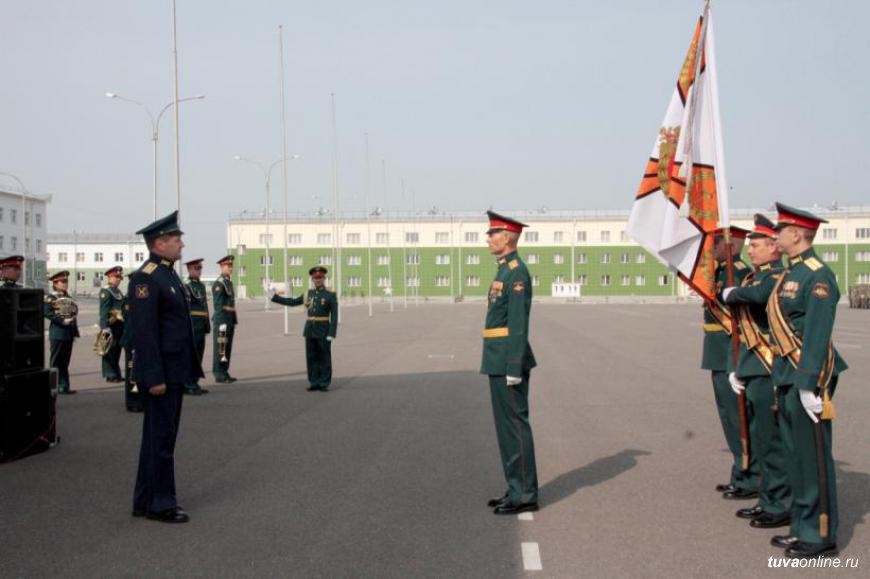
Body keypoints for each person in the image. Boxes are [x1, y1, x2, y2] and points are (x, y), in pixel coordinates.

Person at [762, 203, 847, 558]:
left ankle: (820, 533)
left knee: (812, 459)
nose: (776, 235)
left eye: (781, 230)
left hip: (807, 375)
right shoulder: (791, 272)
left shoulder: (817, 275)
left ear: (797, 234)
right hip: (787, 374)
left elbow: (816, 333)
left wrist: (809, 382)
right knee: (796, 457)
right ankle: (800, 526)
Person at [128, 211, 203, 523]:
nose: (182, 244)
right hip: (162, 374)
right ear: (160, 243)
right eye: (176, 240)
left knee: (159, 439)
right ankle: (161, 504)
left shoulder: (168, 274)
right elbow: (144, 333)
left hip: (175, 370)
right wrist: (153, 376)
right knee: (160, 441)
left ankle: (144, 500)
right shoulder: (146, 278)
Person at [722, 215, 791, 530]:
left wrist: (733, 293)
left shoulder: (776, 276)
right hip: (752, 367)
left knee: (773, 441)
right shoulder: (754, 278)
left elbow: (760, 296)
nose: (750, 250)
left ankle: (780, 503)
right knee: (763, 440)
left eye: (757, 245)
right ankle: (768, 498)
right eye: (750, 245)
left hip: (767, 367)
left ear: (774, 247)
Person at [481, 211, 539, 515]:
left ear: (508, 237)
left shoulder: (516, 273)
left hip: (507, 362)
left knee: (515, 427)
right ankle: (515, 487)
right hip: (497, 359)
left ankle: (525, 494)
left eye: (493, 233)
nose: (488, 238)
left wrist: (514, 367)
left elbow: (518, 324)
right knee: (506, 430)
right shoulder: (504, 270)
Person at [703, 226, 760, 500]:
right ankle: (740, 473)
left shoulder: (738, 274)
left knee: (740, 419)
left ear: (731, 244)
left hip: (731, 352)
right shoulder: (719, 272)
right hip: (718, 353)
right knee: (730, 418)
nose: (711, 248)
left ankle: (750, 477)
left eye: (716, 243)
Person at [270, 266, 338, 391]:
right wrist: (274, 297)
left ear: (324, 278)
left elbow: (334, 315)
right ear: (312, 279)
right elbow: (293, 302)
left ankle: (324, 383)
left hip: (324, 330)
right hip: (310, 330)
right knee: (311, 357)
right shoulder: (308, 294)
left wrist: (332, 333)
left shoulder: (330, 295)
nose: (318, 280)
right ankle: (314, 382)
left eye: (320, 277)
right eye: (315, 278)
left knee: (324, 357)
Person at [43, 271, 79, 394]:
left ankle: (64, 386)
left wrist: (74, 332)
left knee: (65, 362)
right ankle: (53, 387)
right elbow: (47, 313)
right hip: (57, 333)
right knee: (56, 362)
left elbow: (73, 314)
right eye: (62, 282)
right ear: (55, 284)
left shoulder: (68, 297)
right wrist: (62, 321)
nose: (65, 284)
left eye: (66, 281)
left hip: (68, 334)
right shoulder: (51, 298)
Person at [183, 258, 210, 395]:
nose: (199, 270)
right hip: (192, 324)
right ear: (189, 269)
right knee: (190, 356)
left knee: (199, 355)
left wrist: (207, 324)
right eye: (197, 268)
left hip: (200, 324)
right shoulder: (186, 286)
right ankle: (188, 384)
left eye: (200, 268)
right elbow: (185, 309)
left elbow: (204, 306)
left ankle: (194, 382)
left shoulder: (201, 286)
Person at [212, 255, 238, 383]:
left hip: (229, 320)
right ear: (222, 267)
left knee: (227, 348)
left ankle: (224, 371)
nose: (231, 268)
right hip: (222, 321)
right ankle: (219, 374)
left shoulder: (228, 282)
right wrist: (229, 312)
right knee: (221, 348)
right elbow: (218, 305)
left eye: (231, 265)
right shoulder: (219, 283)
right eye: (228, 266)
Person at [99, 266, 126, 383]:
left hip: (119, 325)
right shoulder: (106, 291)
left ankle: (116, 373)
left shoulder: (117, 291)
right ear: (109, 277)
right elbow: (104, 311)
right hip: (110, 325)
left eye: (120, 277)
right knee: (108, 351)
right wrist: (105, 327)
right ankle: (110, 374)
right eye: (116, 277)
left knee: (116, 351)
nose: (118, 279)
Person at [120, 274, 142, 412]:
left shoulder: (139, 299)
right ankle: (133, 401)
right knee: (132, 373)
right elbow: (131, 322)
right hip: (132, 341)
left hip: (140, 341)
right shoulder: (129, 300)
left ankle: (140, 399)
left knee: (140, 372)